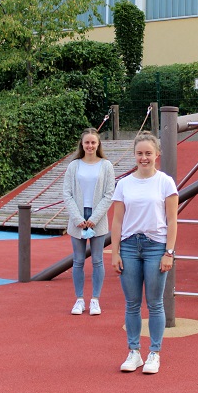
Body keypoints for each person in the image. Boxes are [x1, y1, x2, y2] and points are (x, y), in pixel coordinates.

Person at [110, 131, 178, 374]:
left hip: (155, 246)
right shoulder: (124, 183)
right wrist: (114, 251)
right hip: (129, 246)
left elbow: (172, 220)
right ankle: (134, 352)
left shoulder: (165, 182)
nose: (144, 158)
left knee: (155, 303)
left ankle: (154, 353)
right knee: (131, 303)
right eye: (140, 153)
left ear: (157, 154)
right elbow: (117, 221)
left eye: (148, 153)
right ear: (134, 155)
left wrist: (169, 252)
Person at [63, 128, 115, 315]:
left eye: (93, 142)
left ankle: (95, 299)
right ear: (82, 144)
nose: (90, 146)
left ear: (98, 144)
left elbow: (109, 194)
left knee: (98, 260)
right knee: (77, 261)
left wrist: (94, 218)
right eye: (87, 142)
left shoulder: (106, 166)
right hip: (78, 216)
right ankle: (79, 299)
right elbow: (67, 193)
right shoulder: (74, 166)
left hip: (97, 218)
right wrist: (77, 217)